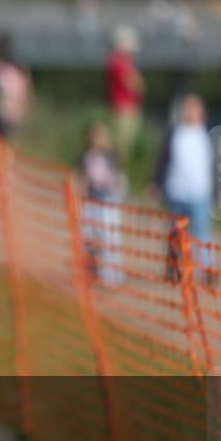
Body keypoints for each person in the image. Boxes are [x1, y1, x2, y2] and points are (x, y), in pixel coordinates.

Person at [152, 93, 216, 286]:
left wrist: (219, 193)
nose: (189, 111)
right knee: (174, 234)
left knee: (202, 234)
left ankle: (207, 271)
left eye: (194, 107)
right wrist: (156, 184)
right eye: (187, 107)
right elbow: (163, 161)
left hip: (200, 193)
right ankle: (174, 269)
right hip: (176, 192)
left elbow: (215, 167)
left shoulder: (208, 134)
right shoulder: (174, 133)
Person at [78, 121, 127, 286]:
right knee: (89, 238)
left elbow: (119, 180)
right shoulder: (86, 156)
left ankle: (112, 276)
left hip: (108, 201)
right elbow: (83, 179)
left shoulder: (112, 156)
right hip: (92, 200)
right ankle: (90, 271)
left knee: (109, 239)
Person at [105, 24, 145, 166]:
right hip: (123, 109)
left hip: (125, 108)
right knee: (121, 147)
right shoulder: (118, 62)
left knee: (123, 147)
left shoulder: (120, 61)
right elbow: (134, 84)